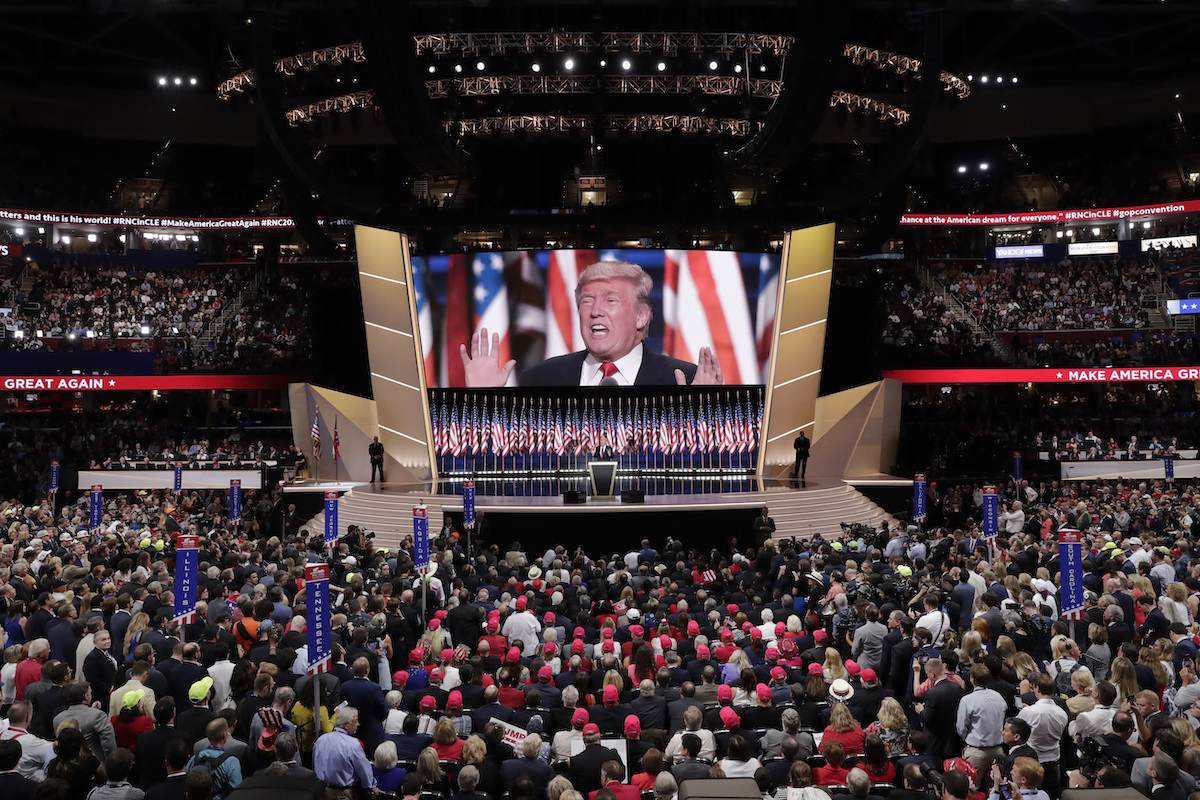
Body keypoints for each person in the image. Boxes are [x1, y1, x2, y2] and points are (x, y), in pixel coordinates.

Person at [461, 261, 721, 387]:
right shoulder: (539, 380)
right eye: (587, 301)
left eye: (611, 300)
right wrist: (483, 399)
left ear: (641, 316)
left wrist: (702, 413)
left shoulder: (685, 380)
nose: (595, 311)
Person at [313, 707, 379, 800]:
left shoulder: (321, 740)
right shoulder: (353, 744)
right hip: (342, 794)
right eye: (355, 721)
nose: (358, 724)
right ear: (346, 724)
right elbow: (363, 770)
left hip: (322, 792)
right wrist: (370, 785)